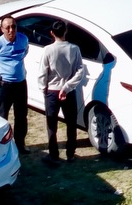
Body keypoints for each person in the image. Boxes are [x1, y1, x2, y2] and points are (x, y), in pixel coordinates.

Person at [41, 19, 85, 164]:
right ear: (65, 31)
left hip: (52, 91)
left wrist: (43, 89)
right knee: (71, 124)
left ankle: (53, 154)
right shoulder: (74, 49)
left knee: (51, 125)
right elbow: (80, 71)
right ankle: (70, 153)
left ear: (52, 33)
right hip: (69, 91)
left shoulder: (48, 50)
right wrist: (67, 87)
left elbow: (42, 73)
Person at [0, 15, 29, 152]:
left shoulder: (23, 39)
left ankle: (20, 144)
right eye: (8, 28)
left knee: (21, 115)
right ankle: (2, 145)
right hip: (4, 85)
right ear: (2, 29)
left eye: (14, 27)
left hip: (21, 83)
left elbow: (25, 52)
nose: (11, 30)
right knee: (2, 115)